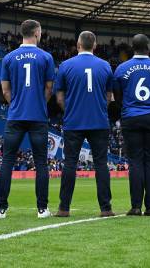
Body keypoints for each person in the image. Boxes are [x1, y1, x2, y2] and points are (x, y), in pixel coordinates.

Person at [0, 19, 55, 219]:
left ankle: (0, 209)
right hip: (38, 116)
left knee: (7, 161)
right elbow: (48, 88)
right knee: (41, 163)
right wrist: (39, 103)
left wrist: (16, 105)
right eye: (41, 31)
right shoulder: (46, 57)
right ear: (36, 33)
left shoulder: (9, 58)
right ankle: (42, 209)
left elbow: (4, 90)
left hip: (16, 116)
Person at [55, 31, 115, 218]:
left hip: (74, 122)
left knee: (70, 164)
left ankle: (64, 208)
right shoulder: (105, 66)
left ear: (78, 44)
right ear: (95, 45)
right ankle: (106, 208)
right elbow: (109, 97)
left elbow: (59, 97)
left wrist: (70, 110)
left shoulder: (66, 65)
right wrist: (98, 108)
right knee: (101, 164)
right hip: (99, 121)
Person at [113, 34, 150, 216]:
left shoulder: (122, 68)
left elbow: (117, 95)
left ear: (133, 48)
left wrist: (128, 107)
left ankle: (136, 206)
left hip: (131, 116)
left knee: (135, 161)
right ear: (149, 47)